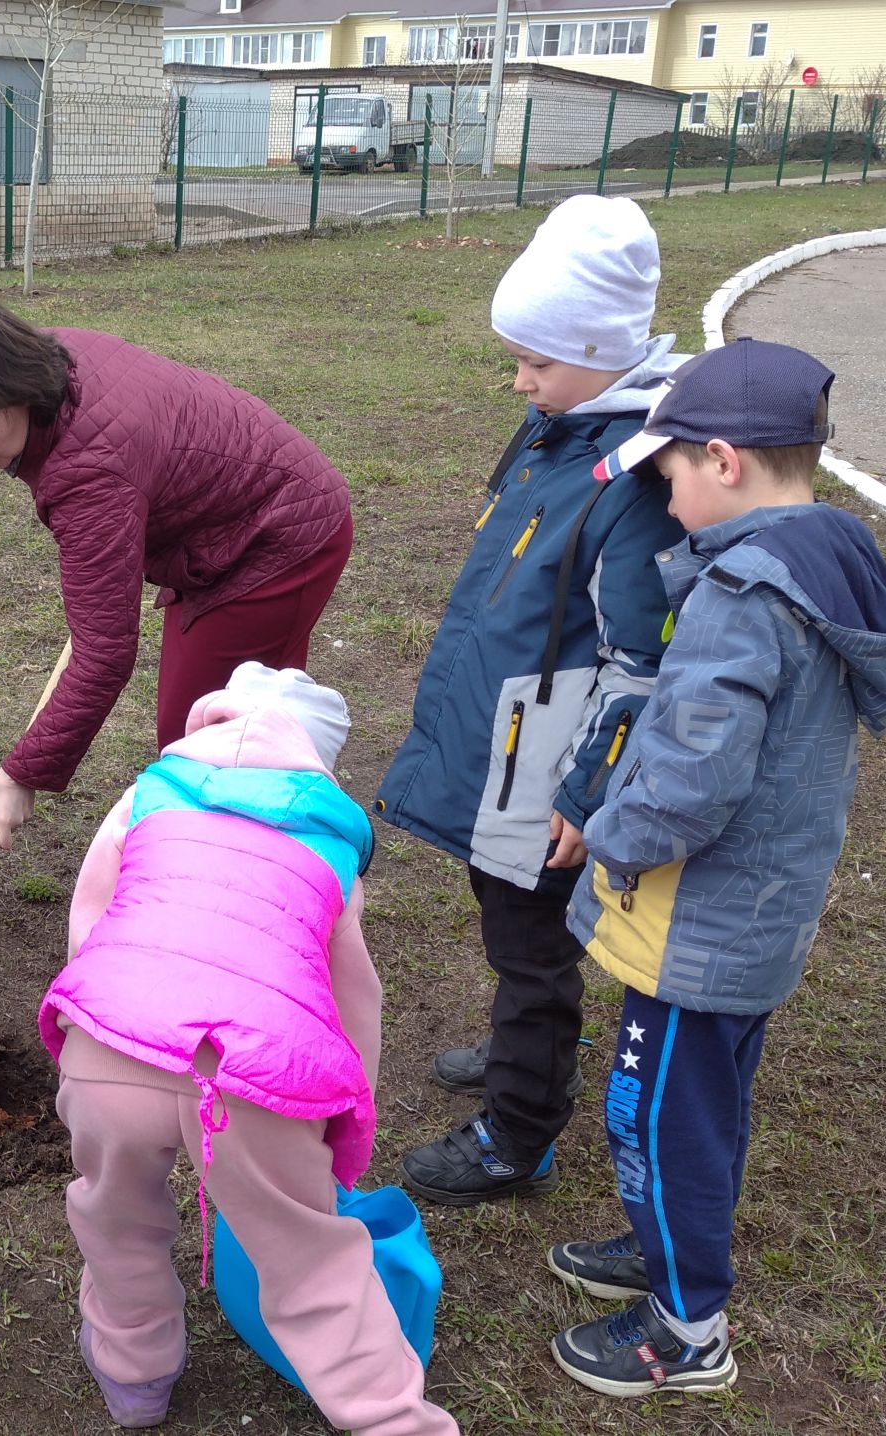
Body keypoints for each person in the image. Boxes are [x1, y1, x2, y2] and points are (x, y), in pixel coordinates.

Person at [545, 339, 886, 1396]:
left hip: (699, 925)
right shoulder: (828, 553)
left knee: (657, 1108)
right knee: (707, 1100)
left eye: (668, 472)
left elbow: (692, 775)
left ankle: (686, 1330)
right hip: (766, 910)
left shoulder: (738, 591)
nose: (665, 499)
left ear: (723, 460)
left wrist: (615, 834)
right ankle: (668, 1242)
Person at [42, 665, 460, 1435]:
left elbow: (93, 913)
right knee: (314, 1263)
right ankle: (393, 1421)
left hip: (112, 1041)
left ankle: (135, 1377)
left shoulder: (148, 795)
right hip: (257, 1077)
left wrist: (94, 1028)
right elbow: (349, 999)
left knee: (115, 1217)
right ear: (316, 761)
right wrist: (339, 1128)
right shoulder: (328, 840)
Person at [375, 195, 688, 1206]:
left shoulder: (633, 487)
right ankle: (520, 1043)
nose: (519, 379)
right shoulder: (557, 432)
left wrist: (588, 790)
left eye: (538, 362)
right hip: (504, 734)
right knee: (508, 925)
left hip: (546, 767)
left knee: (534, 946)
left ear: (603, 351)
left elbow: (642, 661)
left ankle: (519, 1130)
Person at [0, 294, 352, 850]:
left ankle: (236, 872)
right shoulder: (51, 359)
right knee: (210, 730)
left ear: (14, 390)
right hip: (226, 522)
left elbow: (105, 653)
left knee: (206, 738)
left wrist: (22, 774)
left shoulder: (90, 472)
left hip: (277, 538)